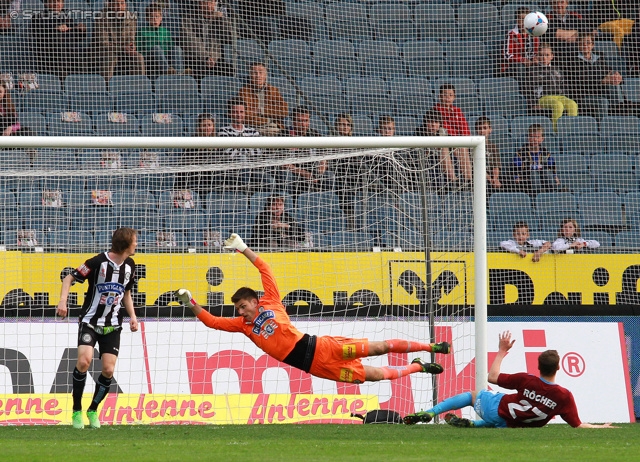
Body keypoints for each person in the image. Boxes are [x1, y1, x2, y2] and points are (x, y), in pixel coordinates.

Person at [175, 233, 450, 385]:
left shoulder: (271, 300)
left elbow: (265, 268)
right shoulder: (243, 327)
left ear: (255, 301)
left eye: (243, 306)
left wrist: (242, 248)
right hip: (315, 366)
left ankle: (430, 347)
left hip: (321, 347)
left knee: (379, 348)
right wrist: (191, 303)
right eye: (237, 309)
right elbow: (211, 321)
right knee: (374, 376)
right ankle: (418, 368)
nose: (241, 312)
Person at [403, 330, 616, 428]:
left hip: (494, 409)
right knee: (507, 418)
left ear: (538, 367)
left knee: (474, 395)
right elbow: (578, 426)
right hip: (510, 424)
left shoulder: (527, 380)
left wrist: (502, 351)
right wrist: (600, 427)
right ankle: (473, 425)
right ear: (558, 368)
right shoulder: (564, 396)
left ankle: (432, 412)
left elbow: (492, 377)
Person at [56, 227, 139, 429]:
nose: (137, 244)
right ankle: (76, 411)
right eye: (135, 241)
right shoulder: (96, 262)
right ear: (125, 244)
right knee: (84, 362)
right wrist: (62, 301)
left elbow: (126, 294)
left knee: (109, 369)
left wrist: (134, 317)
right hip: (90, 322)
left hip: (113, 325)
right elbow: (69, 278)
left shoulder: (130, 265)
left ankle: (92, 410)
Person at [565, 33, 625, 118]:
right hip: (583, 94)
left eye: (588, 42)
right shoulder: (573, 59)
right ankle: (603, 128)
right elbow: (583, 79)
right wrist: (603, 80)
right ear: (578, 45)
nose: (585, 45)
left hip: (600, 90)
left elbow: (607, 70)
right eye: (582, 43)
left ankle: (620, 106)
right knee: (603, 101)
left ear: (592, 45)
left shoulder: (599, 56)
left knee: (615, 82)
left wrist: (615, 75)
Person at [29, 0, 88, 77]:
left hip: (70, 59)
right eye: (53, 1)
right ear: (46, 3)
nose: (56, 4)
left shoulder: (67, 17)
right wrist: (56, 28)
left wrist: (81, 29)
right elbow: (40, 33)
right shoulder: (38, 17)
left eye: (59, 1)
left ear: (63, 3)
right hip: (50, 59)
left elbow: (76, 37)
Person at [526, 44, 578, 131]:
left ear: (552, 56)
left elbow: (564, 85)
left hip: (560, 96)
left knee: (572, 104)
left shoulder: (557, 69)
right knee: (558, 105)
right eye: (541, 55)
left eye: (547, 55)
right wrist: (533, 103)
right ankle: (556, 131)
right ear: (537, 56)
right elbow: (528, 88)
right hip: (544, 98)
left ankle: (571, 131)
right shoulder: (533, 70)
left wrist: (566, 96)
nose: (544, 58)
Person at [218, 97, 266, 190]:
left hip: (254, 169)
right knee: (242, 158)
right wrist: (248, 148)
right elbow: (230, 154)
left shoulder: (252, 131)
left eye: (241, 112)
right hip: (231, 171)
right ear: (229, 114)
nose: (239, 115)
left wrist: (238, 147)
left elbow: (258, 153)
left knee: (269, 181)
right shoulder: (223, 131)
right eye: (235, 112)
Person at [282, 106, 329, 198]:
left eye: (306, 121)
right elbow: (282, 163)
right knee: (287, 176)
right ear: (293, 121)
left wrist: (321, 168)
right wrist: (304, 173)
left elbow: (324, 156)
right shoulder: (284, 135)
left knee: (329, 176)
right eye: (300, 121)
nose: (303, 124)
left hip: (314, 172)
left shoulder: (315, 135)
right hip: (294, 173)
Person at [181, 0, 236, 78]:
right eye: (205, 2)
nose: (208, 5)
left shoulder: (218, 19)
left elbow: (230, 38)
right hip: (196, 60)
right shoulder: (189, 17)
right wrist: (206, 57)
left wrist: (222, 19)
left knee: (230, 71)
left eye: (211, 2)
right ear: (199, 3)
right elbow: (189, 40)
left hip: (215, 60)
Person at [94, 0, 145, 80]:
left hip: (125, 50)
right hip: (108, 51)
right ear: (110, 4)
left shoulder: (131, 17)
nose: (119, 7)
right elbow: (104, 43)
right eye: (116, 3)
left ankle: (140, 85)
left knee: (139, 57)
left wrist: (131, 46)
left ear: (125, 5)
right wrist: (123, 48)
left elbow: (131, 38)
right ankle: (107, 87)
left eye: (122, 3)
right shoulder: (101, 17)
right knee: (110, 56)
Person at [433, 84, 472, 181]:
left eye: (450, 95)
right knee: (445, 147)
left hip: (457, 141)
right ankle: (453, 180)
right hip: (443, 141)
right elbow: (442, 128)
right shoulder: (435, 110)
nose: (447, 97)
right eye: (445, 94)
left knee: (463, 149)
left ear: (454, 97)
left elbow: (464, 128)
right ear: (439, 96)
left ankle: (469, 180)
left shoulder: (457, 111)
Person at [238, 62, 289, 136]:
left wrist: (262, 111)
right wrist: (267, 119)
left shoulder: (273, 90)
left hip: (273, 127)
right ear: (250, 75)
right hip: (253, 128)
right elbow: (246, 115)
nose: (258, 76)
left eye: (261, 72)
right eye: (254, 73)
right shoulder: (244, 92)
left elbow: (284, 110)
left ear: (265, 75)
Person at [136, 3, 184, 76]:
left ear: (161, 17)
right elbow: (139, 49)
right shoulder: (141, 31)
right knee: (156, 48)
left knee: (177, 48)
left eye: (157, 16)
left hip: (166, 57)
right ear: (147, 18)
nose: (155, 19)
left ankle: (179, 73)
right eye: (152, 17)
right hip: (150, 58)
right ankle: (167, 71)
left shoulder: (165, 31)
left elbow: (170, 47)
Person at [512, 123, 560, 195]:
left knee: (546, 172)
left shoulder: (545, 153)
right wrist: (516, 178)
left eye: (537, 137)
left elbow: (552, 167)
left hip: (544, 181)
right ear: (528, 137)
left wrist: (555, 176)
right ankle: (535, 197)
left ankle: (550, 195)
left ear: (542, 139)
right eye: (532, 136)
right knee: (534, 174)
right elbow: (515, 169)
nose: (535, 139)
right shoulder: (520, 153)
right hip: (527, 183)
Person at [177, 113, 217, 193]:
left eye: (209, 125)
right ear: (199, 127)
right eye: (204, 125)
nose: (207, 128)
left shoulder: (218, 142)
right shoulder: (192, 142)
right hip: (194, 182)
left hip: (212, 182)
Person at [503, 7, 541, 80]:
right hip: (514, 66)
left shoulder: (535, 34)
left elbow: (537, 52)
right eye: (521, 19)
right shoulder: (511, 34)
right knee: (520, 67)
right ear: (517, 20)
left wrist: (535, 59)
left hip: (530, 64)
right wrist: (522, 60)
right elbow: (507, 55)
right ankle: (523, 90)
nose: (523, 22)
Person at [475, 116, 501, 192]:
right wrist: (489, 179)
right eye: (479, 128)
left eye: (485, 128)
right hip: (479, 177)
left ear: (490, 129)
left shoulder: (493, 147)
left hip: (491, 177)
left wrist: (495, 179)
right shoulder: (472, 147)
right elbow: (476, 167)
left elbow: (496, 166)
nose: (482, 131)